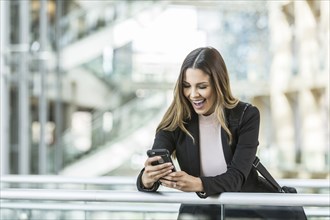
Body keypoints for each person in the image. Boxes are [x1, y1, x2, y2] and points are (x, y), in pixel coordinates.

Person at [136, 47, 286, 219]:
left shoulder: (246, 115)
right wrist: (147, 179)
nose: (193, 95)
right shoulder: (175, 120)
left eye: (202, 86)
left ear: (218, 84)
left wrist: (197, 184)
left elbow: (236, 178)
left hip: (246, 211)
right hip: (200, 213)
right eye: (186, 86)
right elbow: (151, 169)